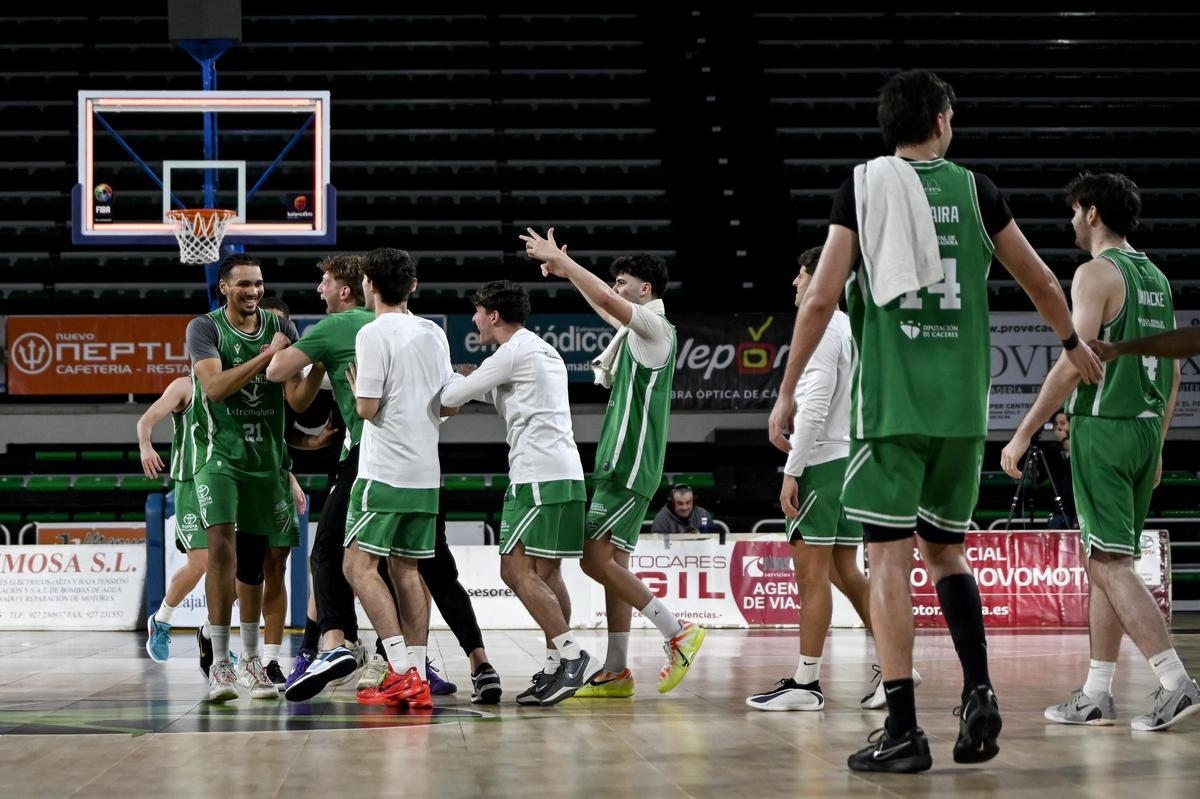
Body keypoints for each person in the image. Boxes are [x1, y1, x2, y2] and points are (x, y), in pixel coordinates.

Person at [767, 70, 1103, 772]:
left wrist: (787, 389)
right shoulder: (978, 191)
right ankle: (979, 688)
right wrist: (1072, 343)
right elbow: (1041, 279)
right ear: (943, 121)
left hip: (893, 410)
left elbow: (821, 297)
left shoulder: (861, 187)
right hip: (963, 411)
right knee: (947, 551)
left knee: (889, 558)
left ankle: (903, 729)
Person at [1002, 172, 1197, 731]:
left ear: (1091, 213)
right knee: (1108, 563)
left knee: (1108, 563)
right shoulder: (1155, 276)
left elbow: (1075, 361)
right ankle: (1095, 693)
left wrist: (1025, 430)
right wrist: (1158, 445)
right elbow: (1174, 369)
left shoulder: (1095, 273)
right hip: (1144, 431)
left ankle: (1175, 682)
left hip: (1104, 429)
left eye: (1073, 211)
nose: (1070, 221)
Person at [521, 229, 706, 700]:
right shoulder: (636, 331)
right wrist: (565, 271)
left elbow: (606, 299)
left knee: (593, 558)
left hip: (630, 463)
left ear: (646, 289)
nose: (616, 288)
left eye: (623, 282)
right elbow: (605, 305)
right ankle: (617, 669)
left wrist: (563, 261)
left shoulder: (655, 328)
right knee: (614, 563)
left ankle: (677, 631)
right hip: (624, 461)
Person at [746, 245, 912, 713]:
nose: (795, 282)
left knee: (812, 577)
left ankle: (806, 683)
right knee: (844, 570)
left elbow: (816, 406)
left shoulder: (820, 328)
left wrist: (793, 470)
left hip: (823, 463)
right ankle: (898, 666)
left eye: (801, 274)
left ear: (820, 278)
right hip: (850, 460)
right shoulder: (849, 327)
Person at [440, 280, 596, 706]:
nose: (474, 319)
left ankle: (573, 654)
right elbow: (504, 395)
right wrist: (478, 381)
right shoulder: (544, 351)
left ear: (493, 315)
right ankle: (555, 665)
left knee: (513, 570)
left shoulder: (510, 354)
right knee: (548, 574)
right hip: (567, 473)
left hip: (535, 476)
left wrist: (456, 377)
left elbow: (451, 395)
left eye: (477, 311)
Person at [185, 253, 304, 702]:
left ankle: (252, 660)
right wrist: (268, 356)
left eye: (258, 284)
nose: (253, 291)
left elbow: (295, 399)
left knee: (255, 562)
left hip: (265, 459)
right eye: (244, 284)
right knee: (221, 547)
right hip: (218, 454)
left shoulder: (282, 326)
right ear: (224, 288)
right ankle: (220, 662)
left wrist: (312, 368)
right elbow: (215, 388)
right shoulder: (205, 328)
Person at [340, 247, 454, 708]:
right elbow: (449, 405)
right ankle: (417, 674)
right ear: (413, 286)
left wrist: (355, 392)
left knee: (357, 566)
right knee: (407, 570)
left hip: (384, 471)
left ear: (368, 285)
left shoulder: (371, 333)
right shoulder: (434, 332)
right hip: (426, 473)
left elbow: (367, 408)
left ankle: (402, 669)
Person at [139, 376, 208, 665]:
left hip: (227, 481)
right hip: (191, 484)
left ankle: (211, 637)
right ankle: (162, 619)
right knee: (200, 563)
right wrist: (146, 445)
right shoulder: (185, 386)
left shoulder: (233, 384)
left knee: (237, 569)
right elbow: (146, 420)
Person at [1043, 410, 1077, 529]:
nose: (1059, 427)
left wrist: (1064, 440)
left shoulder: (1079, 447)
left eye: (1062, 423)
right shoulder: (1052, 450)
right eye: (1056, 424)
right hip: (1057, 510)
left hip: (1077, 510)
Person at [650, 484, 714, 535]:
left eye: (688, 503)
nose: (684, 507)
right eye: (680, 503)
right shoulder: (661, 519)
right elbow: (658, 544)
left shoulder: (702, 514)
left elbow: (713, 538)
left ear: (693, 502)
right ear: (672, 503)